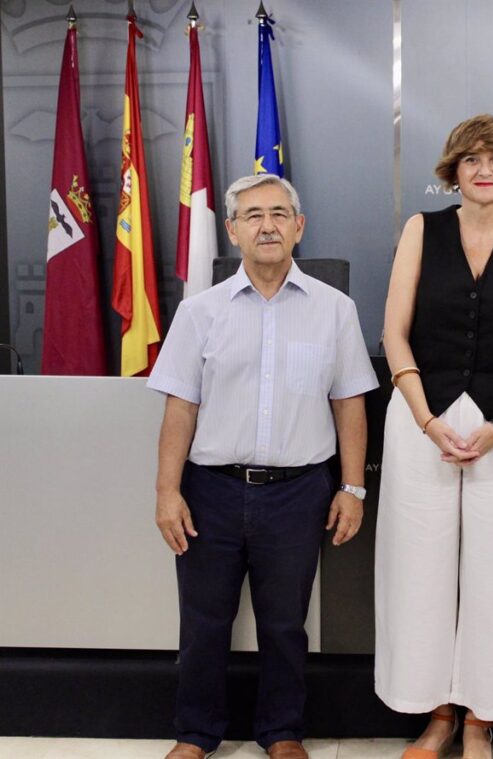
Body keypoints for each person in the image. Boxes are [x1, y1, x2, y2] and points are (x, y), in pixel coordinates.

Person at [148, 174, 378, 759]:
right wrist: (167, 491)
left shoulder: (335, 309)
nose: (267, 225)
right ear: (232, 231)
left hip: (298, 492)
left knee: (284, 626)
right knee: (203, 626)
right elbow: (182, 405)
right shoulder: (200, 313)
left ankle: (282, 733)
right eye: (252, 215)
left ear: (299, 227)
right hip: (211, 492)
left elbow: (349, 402)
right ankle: (195, 735)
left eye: (279, 213)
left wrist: (352, 487)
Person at [375, 113, 493, 759]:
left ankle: (482, 718)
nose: (485, 169)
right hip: (420, 418)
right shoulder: (421, 230)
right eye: (472, 159)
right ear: (453, 169)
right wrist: (427, 419)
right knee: (419, 570)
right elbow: (394, 331)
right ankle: (438, 715)